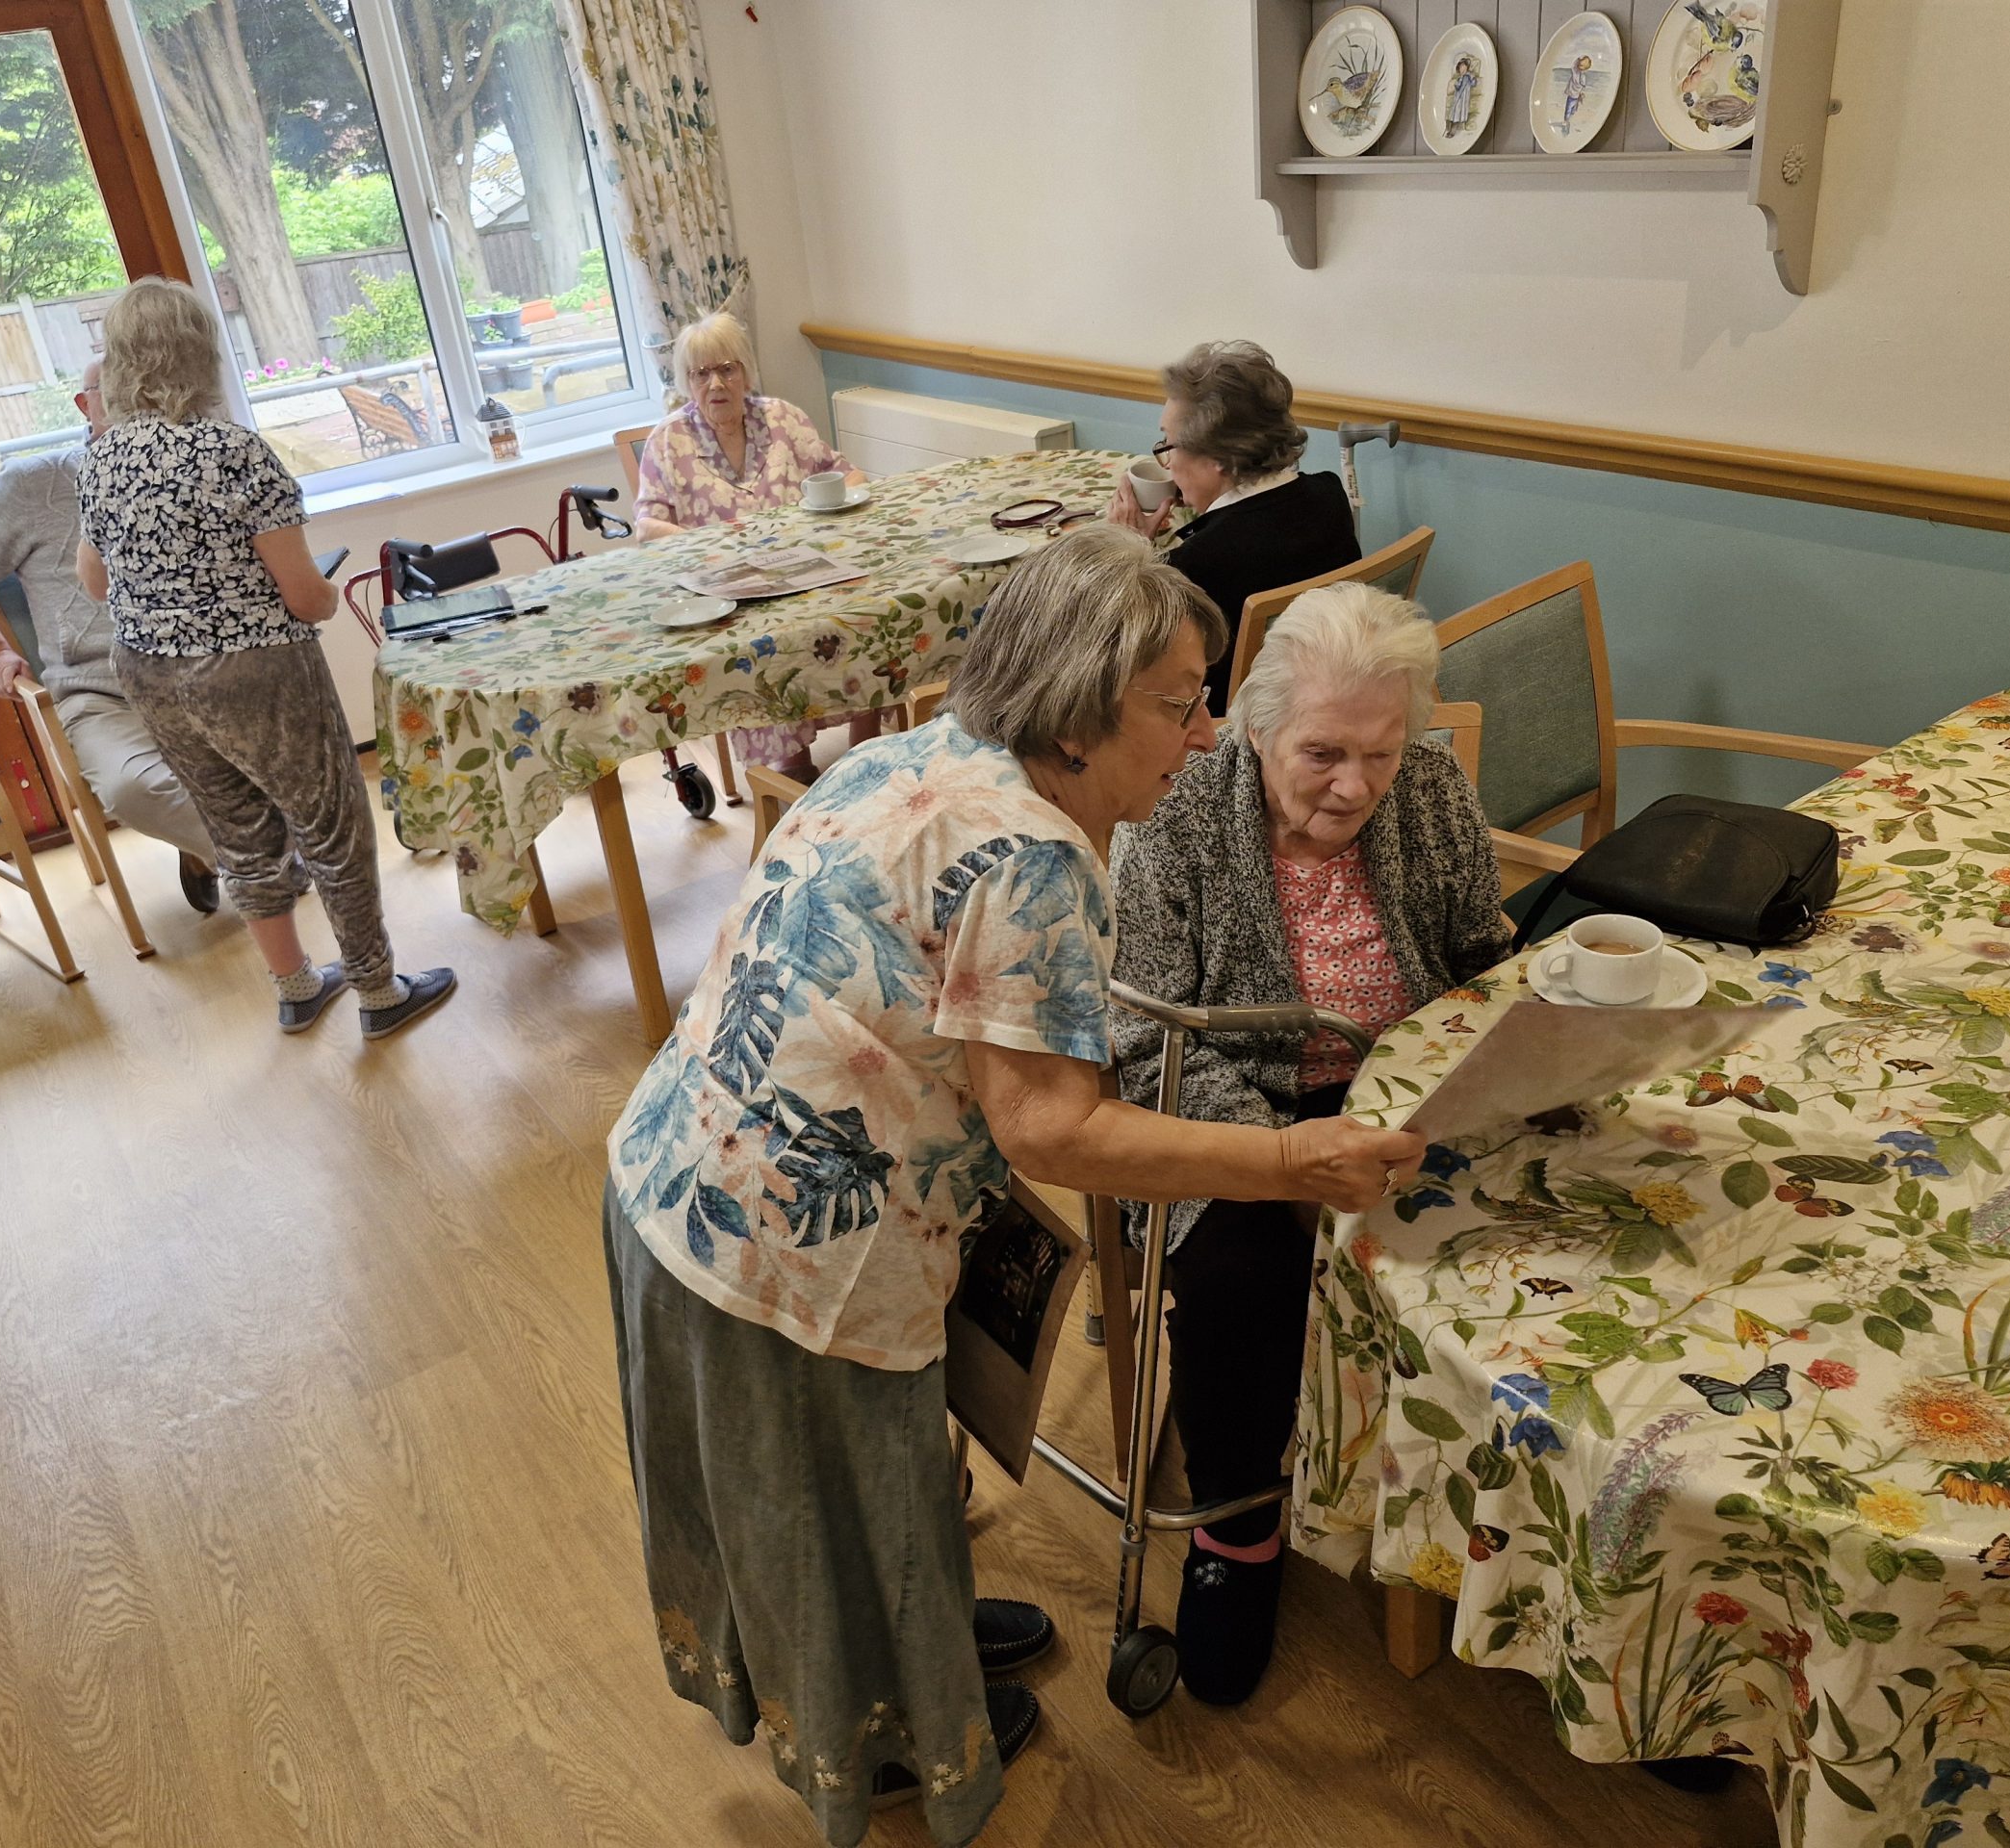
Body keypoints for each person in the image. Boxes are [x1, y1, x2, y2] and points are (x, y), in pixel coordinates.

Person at [603, 526, 1426, 1846]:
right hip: (783, 1244)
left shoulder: (913, 752)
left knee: (875, 1477)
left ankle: (919, 1640)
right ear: (1080, 708)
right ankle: (891, 1740)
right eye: (1176, 706)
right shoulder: (1039, 860)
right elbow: (1051, 1127)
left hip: (676, 1165)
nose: (1205, 736)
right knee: (826, 1491)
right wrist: (1284, 1163)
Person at [1109, 580, 1509, 1707]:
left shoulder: (1428, 789)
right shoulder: (1174, 817)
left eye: (1381, 753)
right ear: (1254, 723)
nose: (1356, 786)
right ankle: (1238, 1532)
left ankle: (1503, 1524)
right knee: (1242, 1278)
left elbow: (1478, 954)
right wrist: (1284, 1167)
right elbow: (1143, 1050)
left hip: (1414, 1101)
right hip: (1224, 1112)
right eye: (1324, 752)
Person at [74, 276, 453, 1040]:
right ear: (200, 354)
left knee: (237, 830)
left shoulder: (102, 460)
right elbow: (307, 598)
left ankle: (296, 986)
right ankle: (380, 993)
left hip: (150, 671)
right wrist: (312, 589)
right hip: (254, 669)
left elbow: (93, 581)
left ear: (118, 362)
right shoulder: (233, 451)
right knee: (330, 823)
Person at [0, 360, 222, 915]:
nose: (138, 403)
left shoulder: (197, 462)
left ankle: (215, 846)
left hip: (213, 673)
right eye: (119, 392)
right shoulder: (40, 482)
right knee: (137, 790)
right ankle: (261, 859)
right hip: (100, 690)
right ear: (86, 406)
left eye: (147, 389)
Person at [634, 309, 873, 781]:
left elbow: (849, 475)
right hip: (728, 590)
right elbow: (647, 526)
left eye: (727, 369)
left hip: (807, 572)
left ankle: (867, 746)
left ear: (746, 371)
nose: (716, 384)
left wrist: (833, 510)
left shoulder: (783, 418)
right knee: (761, 646)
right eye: (701, 373)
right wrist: (706, 545)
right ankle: (791, 767)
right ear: (687, 382)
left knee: (865, 612)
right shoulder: (669, 441)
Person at [1104, 339, 1361, 713]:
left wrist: (1126, 554)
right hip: (1328, 696)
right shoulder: (1329, 496)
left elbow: (1118, 657)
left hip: (1231, 728)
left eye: (1169, 447)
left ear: (1219, 459)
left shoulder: (1198, 564)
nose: (1167, 464)